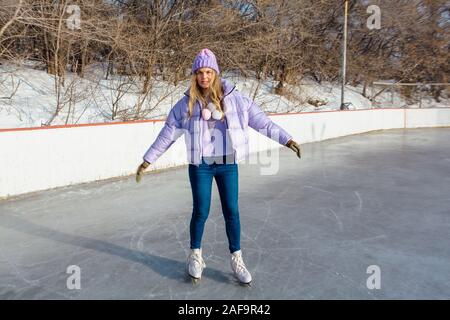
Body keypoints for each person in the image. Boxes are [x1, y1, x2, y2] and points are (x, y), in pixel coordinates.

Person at [136, 48, 301, 285]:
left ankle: (237, 258)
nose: (204, 77)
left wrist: (287, 139)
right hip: (201, 165)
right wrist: (148, 159)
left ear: (216, 73)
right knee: (201, 210)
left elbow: (262, 122)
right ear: (194, 75)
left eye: (208, 71)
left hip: (227, 163)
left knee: (231, 211)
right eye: (200, 72)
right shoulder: (187, 104)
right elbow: (168, 133)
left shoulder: (236, 99)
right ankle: (195, 255)